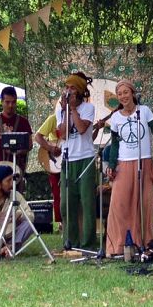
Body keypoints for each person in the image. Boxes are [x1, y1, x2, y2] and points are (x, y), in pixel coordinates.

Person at [104, 80, 153, 256]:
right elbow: (115, 144)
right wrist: (112, 164)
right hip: (124, 163)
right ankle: (119, 245)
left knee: (143, 203)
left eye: (126, 92)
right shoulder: (116, 117)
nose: (123, 96)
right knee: (119, 204)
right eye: (120, 93)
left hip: (143, 162)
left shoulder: (144, 111)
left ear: (132, 93)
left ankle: (144, 242)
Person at [55, 71, 97, 250]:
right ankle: (71, 242)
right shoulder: (60, 109)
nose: (68, 91)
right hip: (68, 159)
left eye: (72, 88)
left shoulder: (88, 108)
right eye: (67, 87)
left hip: (85, 158)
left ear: (80, 91)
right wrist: (65, 110)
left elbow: (80, 129)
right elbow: (63, 134)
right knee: (67, 203)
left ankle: (88, 244)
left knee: (87, 202)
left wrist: (73, 109)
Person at [0, 87, 32, 173]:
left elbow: (30, 145)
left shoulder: (23, 122)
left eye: (13, 102)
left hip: (16, 169)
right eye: (7, 102)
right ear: (1, 102)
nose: (10, 105)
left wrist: (17, 151)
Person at [33, 113, 63, 224]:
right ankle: (61, 222)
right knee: (57, 191)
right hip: (55, 161)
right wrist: (50, 148)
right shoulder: (53, 118)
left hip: (70, 159)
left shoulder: (76, 117)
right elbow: (37, 136)